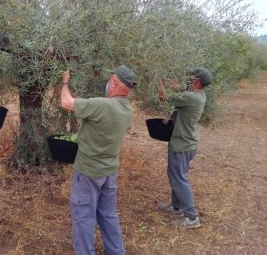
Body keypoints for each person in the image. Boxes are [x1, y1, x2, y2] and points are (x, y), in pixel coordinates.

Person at [59, 65, 138, 255]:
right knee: (108, 215)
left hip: (88, 173)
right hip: (109, 172)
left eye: (110, 79)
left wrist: (64, 82)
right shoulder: (127, 109)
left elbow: (66, 102)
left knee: (84, 219)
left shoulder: (102, 105)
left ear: (114, 82)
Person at [156, 66, 212, 229]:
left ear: (196, 82)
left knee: (179, 179)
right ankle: (176, 206)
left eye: (192, 77)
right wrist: (173, 85)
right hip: (188, 144)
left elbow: (163, 97)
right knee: (177, 175)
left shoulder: (190, 97)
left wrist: (158, 80)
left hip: (182, 145)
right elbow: (181, 92)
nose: (189, 79)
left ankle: (192, 217)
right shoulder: (198, 95)